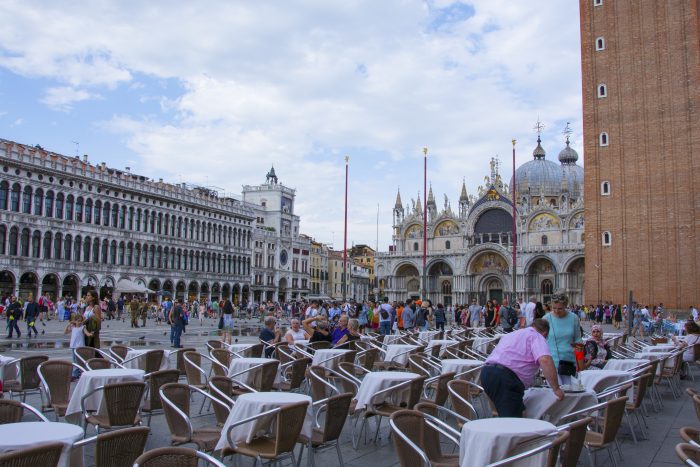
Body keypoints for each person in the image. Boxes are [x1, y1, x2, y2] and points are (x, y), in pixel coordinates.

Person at [480, 319, 564, 417]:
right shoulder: (536, 336)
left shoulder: (513, 334)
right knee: (513, 423)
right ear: (545, 333)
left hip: (487, 372)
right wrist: (556, 389)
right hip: (505, 377)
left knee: (520, 414)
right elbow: (545, 360)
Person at [543, 292, 582, 384]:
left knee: (570, 393)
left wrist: (580, 359)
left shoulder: (574, 318)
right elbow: (541, 341)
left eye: (560, 308)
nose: (556, 311)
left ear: (566, 306)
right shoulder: (546, 318)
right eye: (554, 308)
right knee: (555, 394)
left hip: (569, 362)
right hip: (551, 362)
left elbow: (578, 339)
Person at [65, 313, 92, 379]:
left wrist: (90, 334)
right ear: (75, 321)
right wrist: (68, 325)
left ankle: (76, 374)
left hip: (80, 347)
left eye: (80, 321)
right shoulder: (73, 327)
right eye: (78, 321)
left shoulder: (82, 327)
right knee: (74, 360)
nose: (79, 322)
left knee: (79, 360)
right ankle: (77, 373)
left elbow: (87, 333)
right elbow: (65, 332)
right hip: (73, 346)